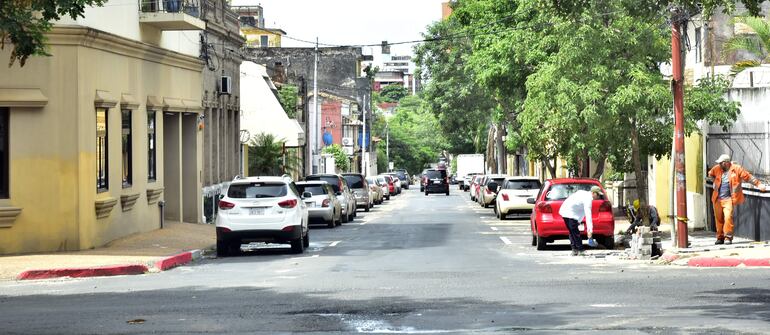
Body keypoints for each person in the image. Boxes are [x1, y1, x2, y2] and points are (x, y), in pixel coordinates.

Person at [708, 154, 766, 245]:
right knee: (718, 219)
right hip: (717, 199)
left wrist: (759, 184)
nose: (719, 165)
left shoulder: (737, 169)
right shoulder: (716, 169)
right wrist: (714, 182)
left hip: (728, 199)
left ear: (726, 163)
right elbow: (710, 174)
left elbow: (748, 177)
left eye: (721, 163)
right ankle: (720, 237)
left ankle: (728, 237)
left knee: (728, 218)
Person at [559, 185, 603, 256]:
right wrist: (590, 231)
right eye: (598, 195)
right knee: (575, 232)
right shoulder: (588, 199)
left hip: (565, 211)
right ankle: (580, 250)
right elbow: (588, 215)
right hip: (569, 212)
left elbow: (579, 208)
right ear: (593, 193)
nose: (598, 197)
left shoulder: (583, 193)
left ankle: (574, 249)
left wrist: (578, 221)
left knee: (572, 231)